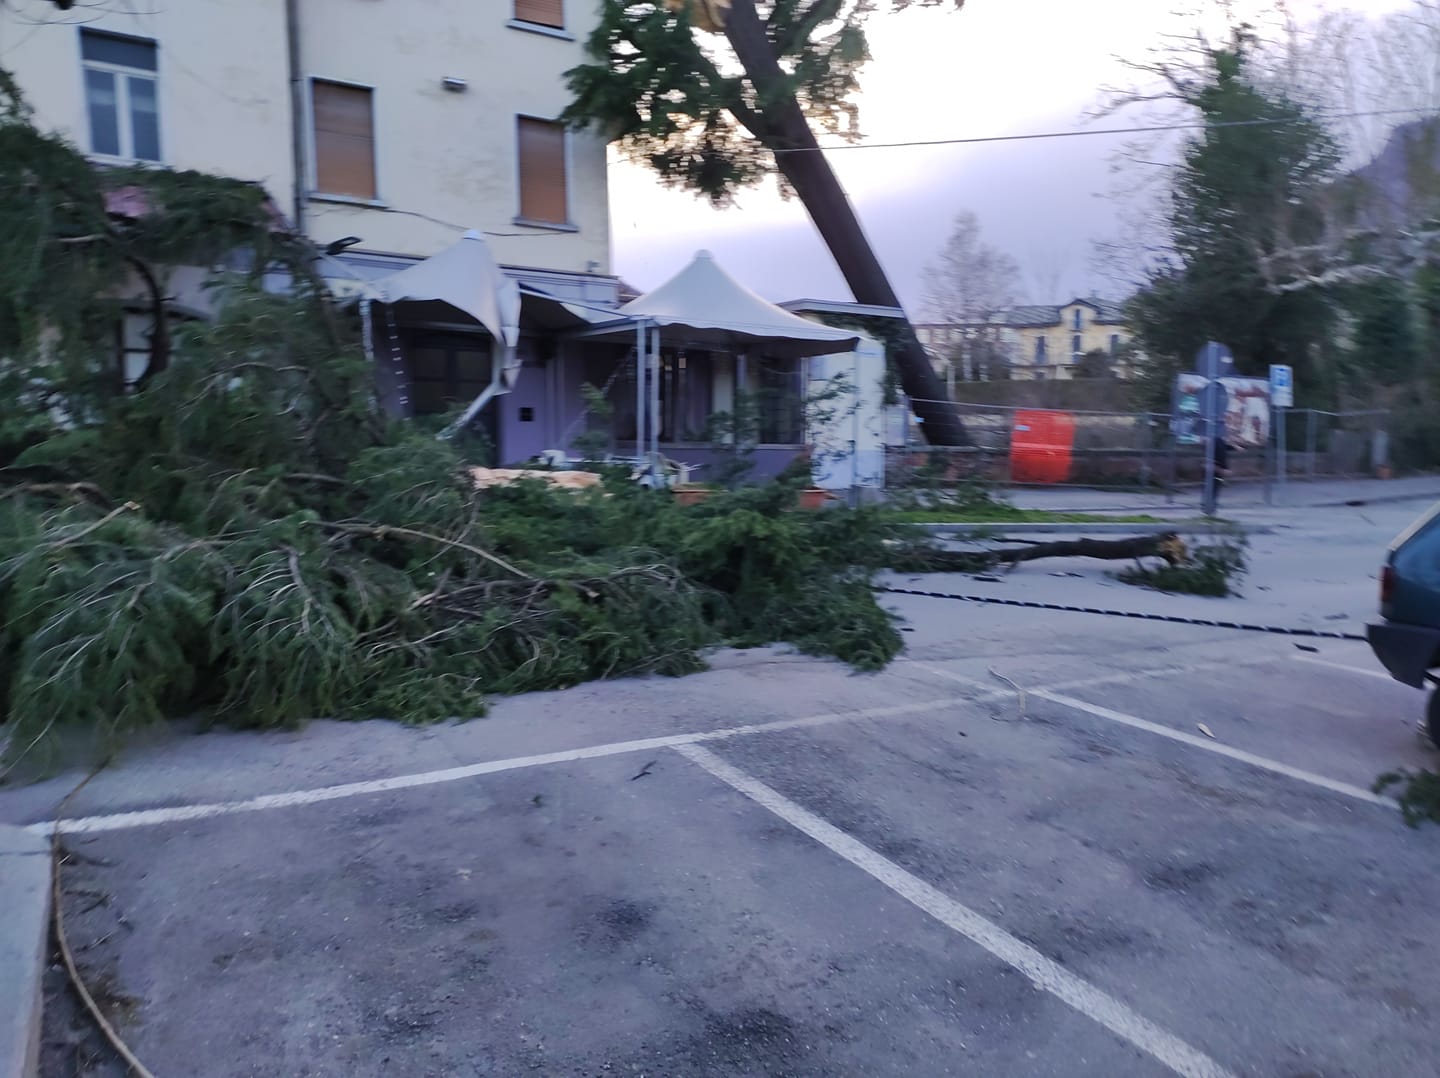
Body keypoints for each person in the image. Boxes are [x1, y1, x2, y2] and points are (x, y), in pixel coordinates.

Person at [1209, 434, 1231, 509]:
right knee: (1214, 484)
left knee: (1216, 483)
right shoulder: (1217, 441)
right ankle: (1211, 502)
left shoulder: (1220, 441)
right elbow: (1221, 457)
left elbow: (1223, 455)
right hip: (1216, 468)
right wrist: (1223, 469)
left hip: (1218, 468)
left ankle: (1212, 502)